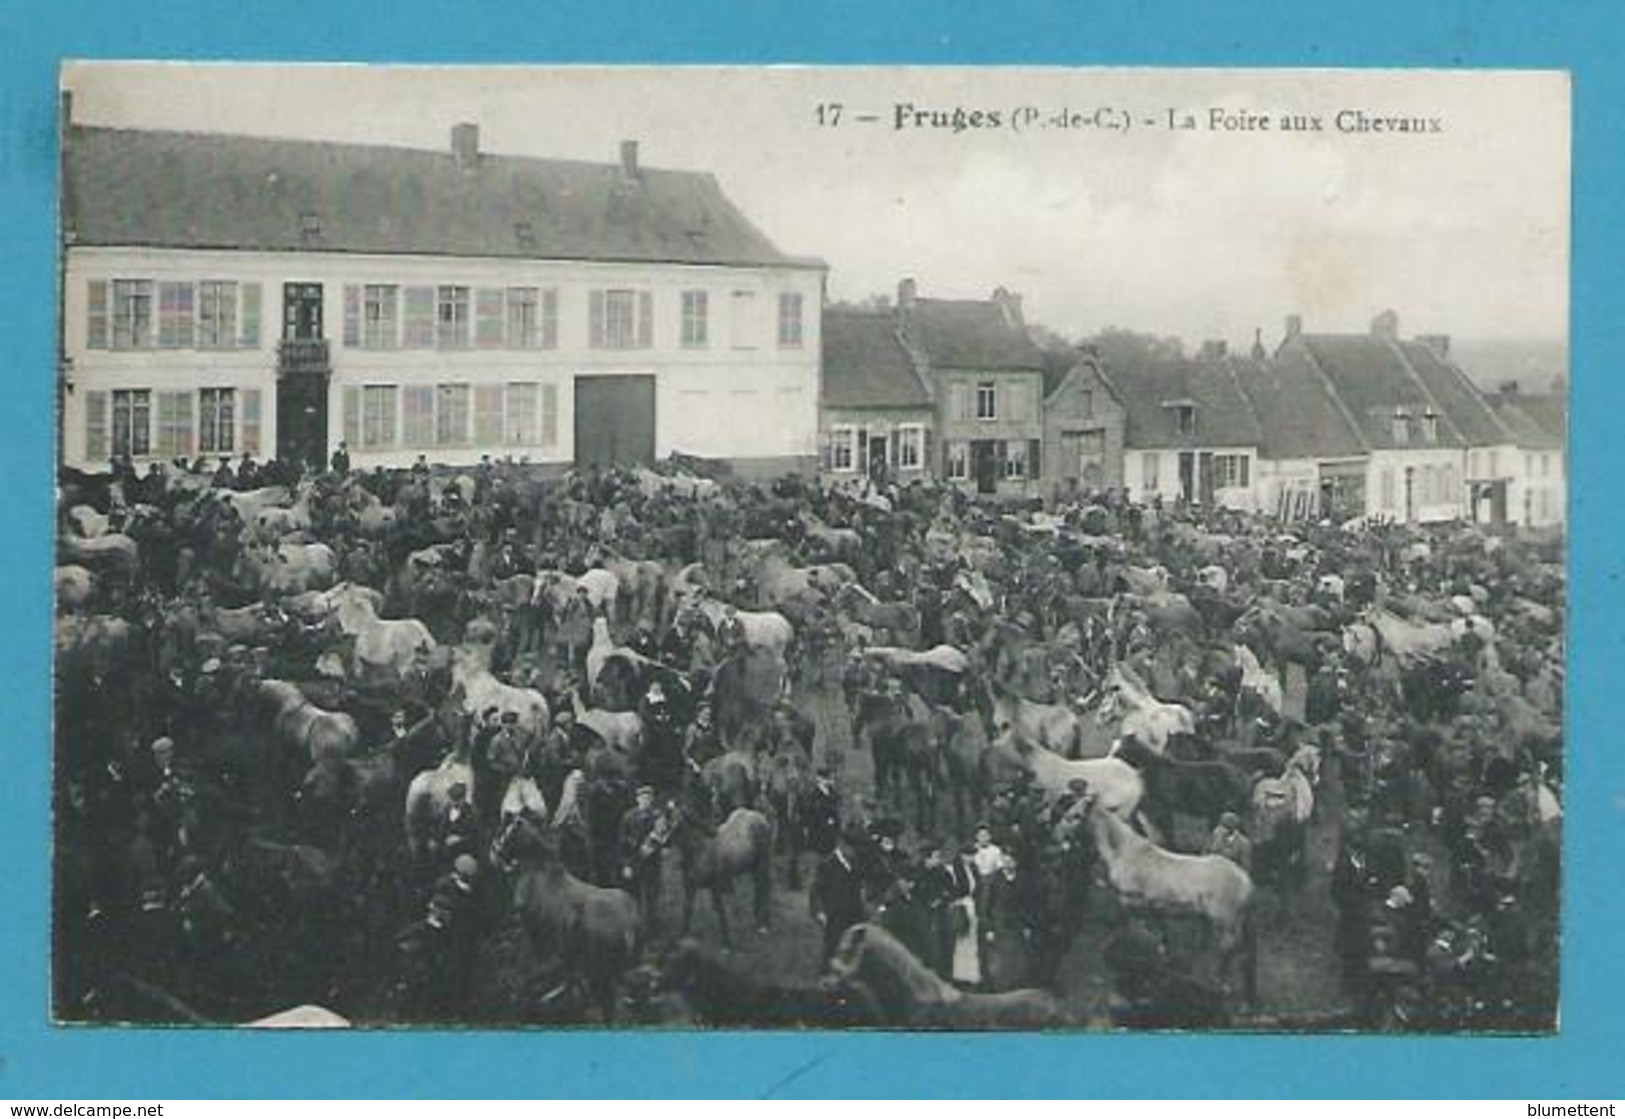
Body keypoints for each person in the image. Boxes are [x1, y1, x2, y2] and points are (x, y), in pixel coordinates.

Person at [810, 828, 867, 965]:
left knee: (852, 945)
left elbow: (859, 888)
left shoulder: (855, 864)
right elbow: (816, 890)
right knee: (833, 946)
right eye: (852, 848)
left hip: (853, 912)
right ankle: (826, 973)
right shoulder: (828, 864)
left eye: (857, 848)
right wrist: (819, 911)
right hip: (835, 914)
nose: (855, 852)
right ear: (843, 845)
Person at [618, 785, 664, 934]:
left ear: (652, 800)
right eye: (643, 797)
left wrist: (654, 847)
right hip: (633, 863)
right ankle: (634, 928)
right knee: (633, 897)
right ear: (637, 799)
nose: (645, 800)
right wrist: (626, 865)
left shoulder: (658, 817)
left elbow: (661, 839)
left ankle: (651, 932)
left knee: (651, 899)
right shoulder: (628, 817)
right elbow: (622, 843)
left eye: (649, 798)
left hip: (652, 864)